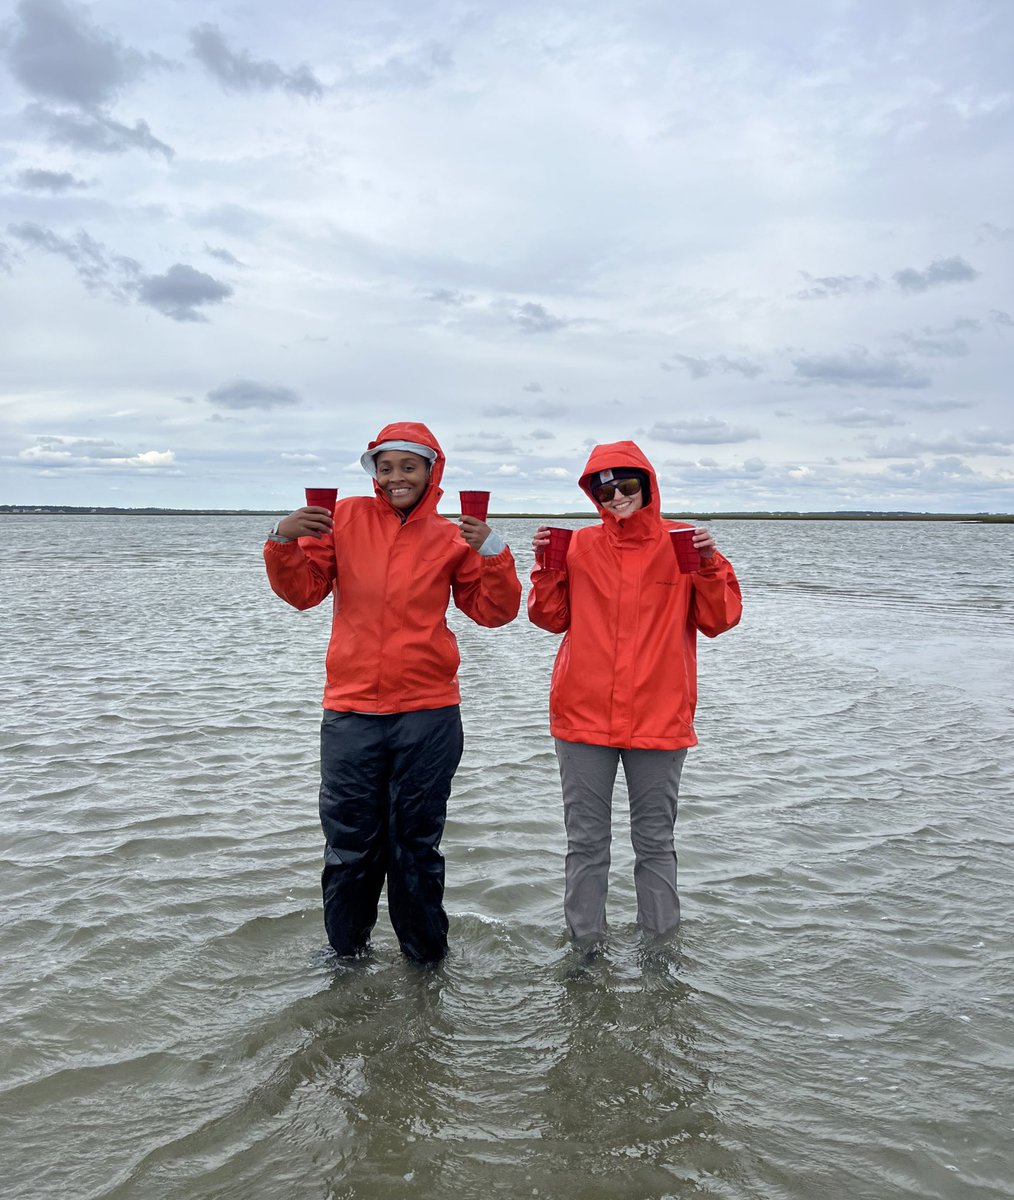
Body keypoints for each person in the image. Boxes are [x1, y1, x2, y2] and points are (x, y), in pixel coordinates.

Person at [264, 422, 521, 964]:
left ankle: (426, 962)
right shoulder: (343, 518)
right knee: (350, 847)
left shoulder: (453, 535)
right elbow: (304, 593)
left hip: (428, 714)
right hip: (351, 712)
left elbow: (493, 612)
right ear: (373, 473)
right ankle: (345, 960)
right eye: (385, 467)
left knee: (415, 847)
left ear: (432, 470)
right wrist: (283, 538)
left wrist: (494, 552)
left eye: (409, 466)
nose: (396, 477)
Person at [528, 440, 742, 950]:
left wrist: (710, 565)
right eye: (604, 489)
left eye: (627, 485)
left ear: (648, 486)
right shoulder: (578, 545)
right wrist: (546, 566)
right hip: (582, 718)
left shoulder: (684, 543)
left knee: (655, 844)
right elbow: (548, 618)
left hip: (659, 719)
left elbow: (719, 619)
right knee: (585, 844)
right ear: (592, 494)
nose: (617, 496)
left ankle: (661, 952)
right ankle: (584, 952)